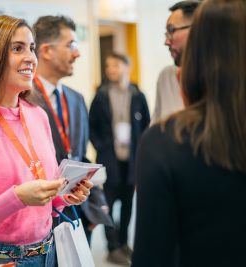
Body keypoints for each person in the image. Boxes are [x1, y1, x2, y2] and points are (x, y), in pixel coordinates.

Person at [0, 15, 92, 267]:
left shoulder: (37, 115)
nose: (31, 58)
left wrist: (65, 195)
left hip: (48, 253)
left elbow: (47, 197)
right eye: (17, 48)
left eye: (31, 48)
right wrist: (17, 198)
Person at [132, 0, 246, 266]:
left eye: (172, 31)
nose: (167, 41)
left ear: (199, 40)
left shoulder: (164, 142)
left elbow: (151, 256)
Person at [32, 15, 112, 243]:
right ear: (46, 51)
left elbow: (80, 156)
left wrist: (96, 202)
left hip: (78, 212)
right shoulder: (22, 100)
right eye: (71, 45)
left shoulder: (76, 99)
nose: (77, 53)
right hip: (40, 218)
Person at [89, 52, 150, 265]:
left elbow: (146, 126)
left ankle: (124, 243)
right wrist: (102, 146)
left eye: (115, 65)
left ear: (126, 66)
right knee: (107, 204)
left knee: (127, 205)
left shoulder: (137, 95)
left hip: (132, 162)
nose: (110, 70)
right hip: (109, 161)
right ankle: (112, 246)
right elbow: (92, 126)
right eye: (108, 66)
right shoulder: (102, 94)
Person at [152, 1, 200, 123]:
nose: (166, 41)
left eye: (172, 30)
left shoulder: (227, 80)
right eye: (166, 33)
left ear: (197, 29)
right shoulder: (167, 77)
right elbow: (155, 129)